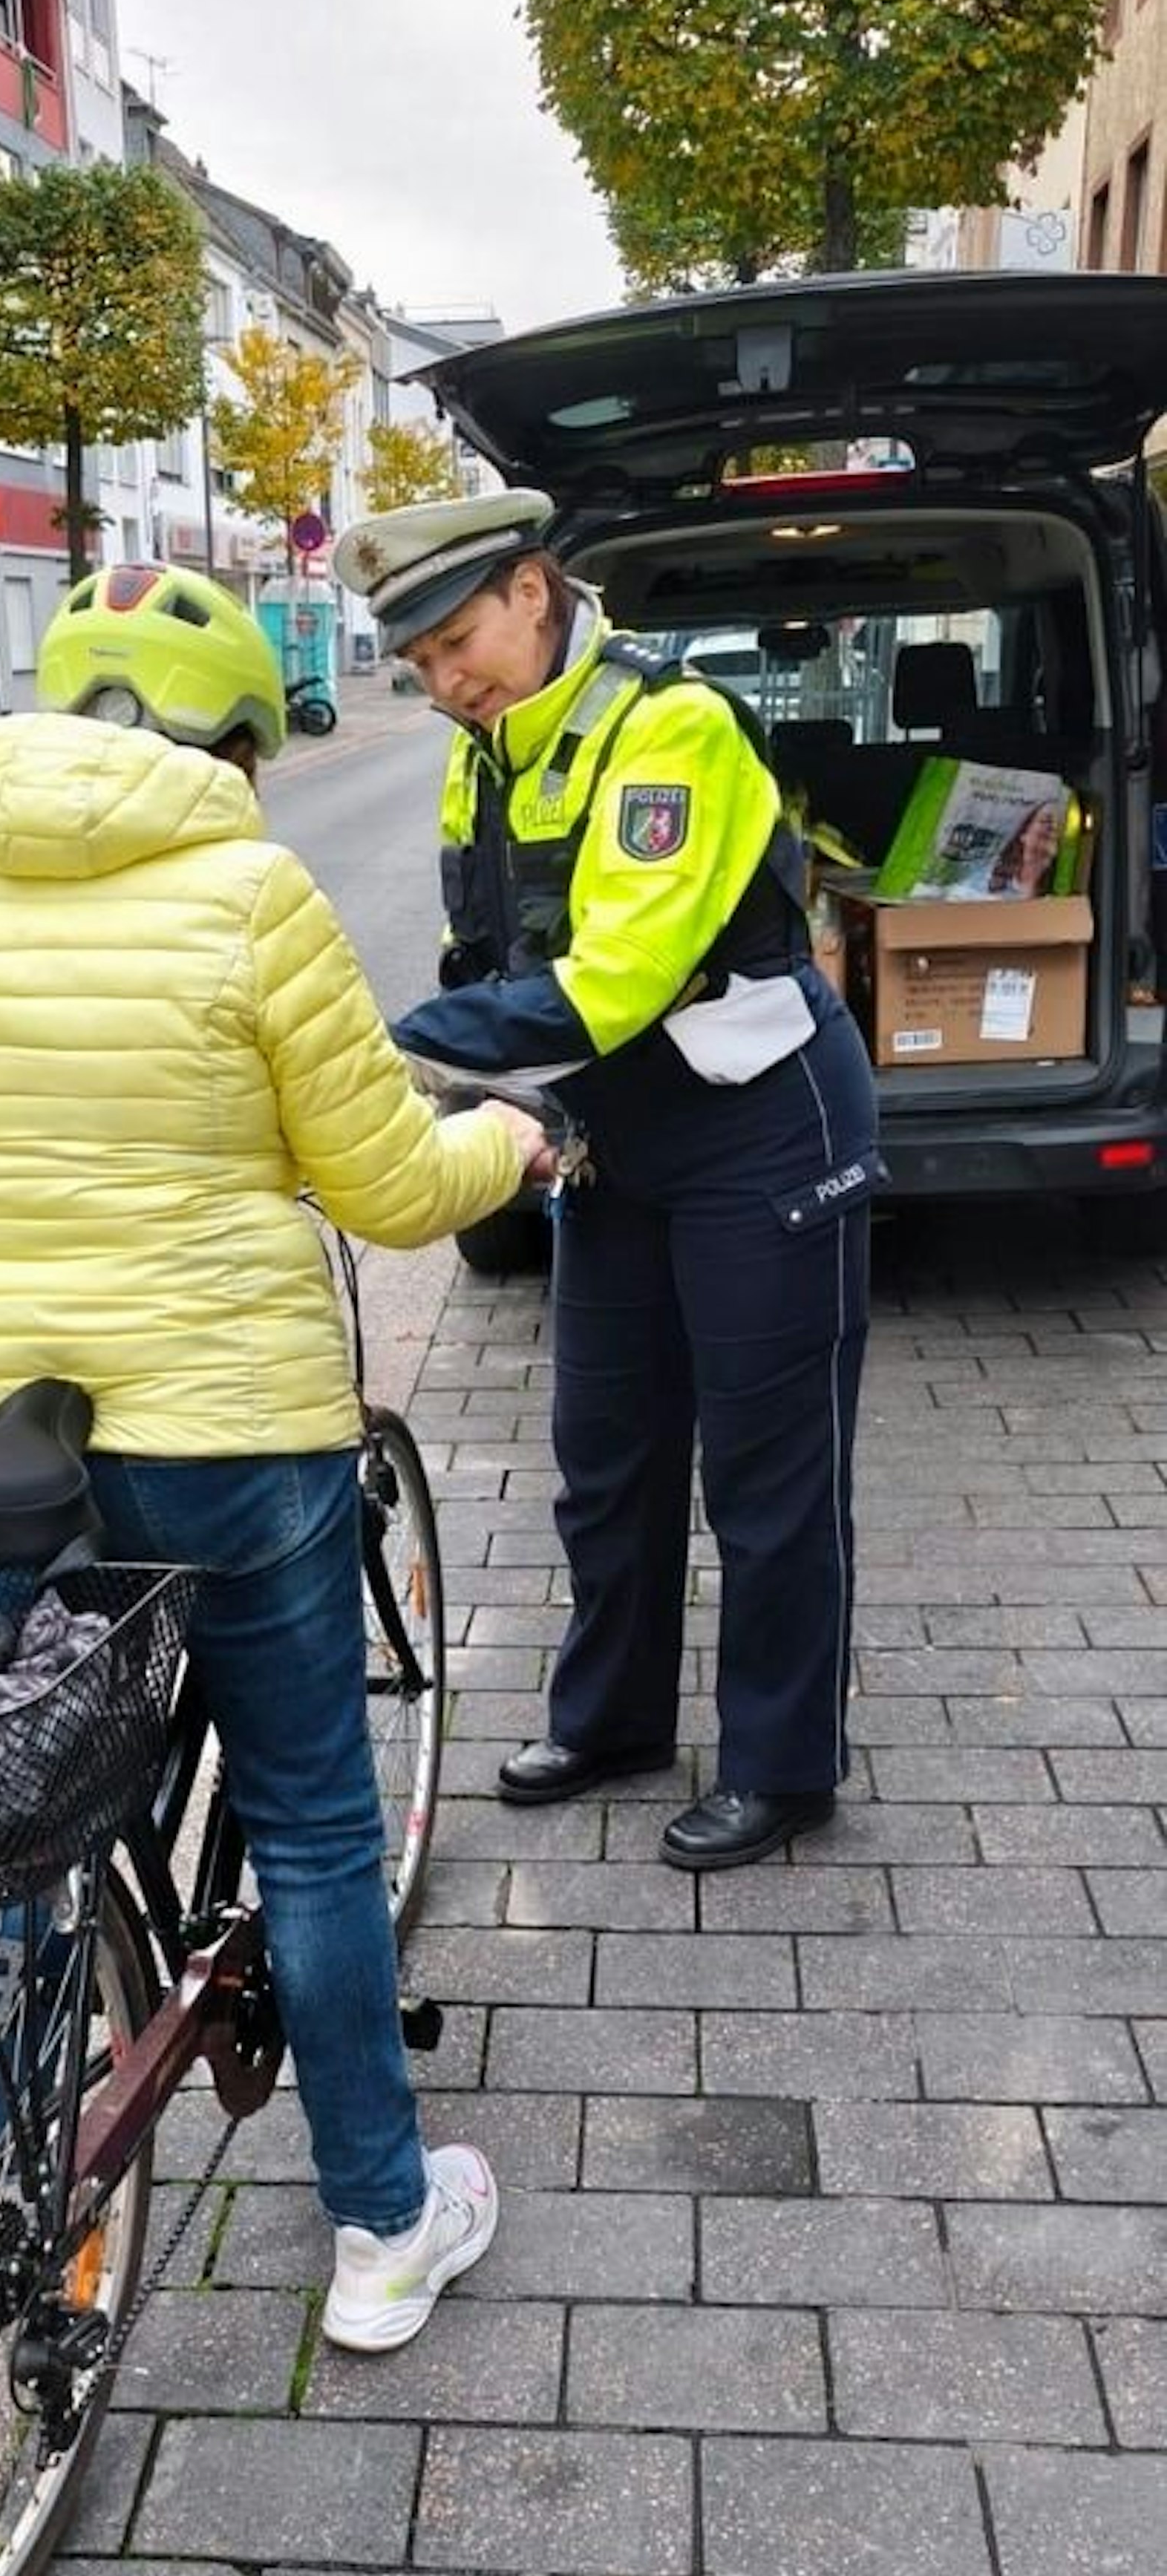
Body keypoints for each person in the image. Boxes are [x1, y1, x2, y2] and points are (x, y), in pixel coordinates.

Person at [0, 560, 549, 2349]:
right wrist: (506, 1148)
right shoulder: (246, 888)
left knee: (26, 1802)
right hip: (227, 1427)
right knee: (311, 1819)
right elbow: (380, 1182)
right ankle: (383, 2221)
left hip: (5, 1439)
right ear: (236, 736)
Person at [334, 489, 880, 1872]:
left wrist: (374, 1043)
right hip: (615, 1140)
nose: (449, 682)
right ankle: (617, 1719)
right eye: (423, 667)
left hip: (761, 1125)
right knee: (606, 1455)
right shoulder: (490, 746)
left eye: (461, 641)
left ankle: (782, 1762)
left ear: (534, 586)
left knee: (770, 1471)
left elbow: (611, 984)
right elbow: (492, 952)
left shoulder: (670, 726)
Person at [987, 799, 1063, 898]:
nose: (1053, 827)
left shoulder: (1059, 896)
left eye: (1060, 825)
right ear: (1023, 835)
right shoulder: (989, 881)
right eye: (1046, 821)